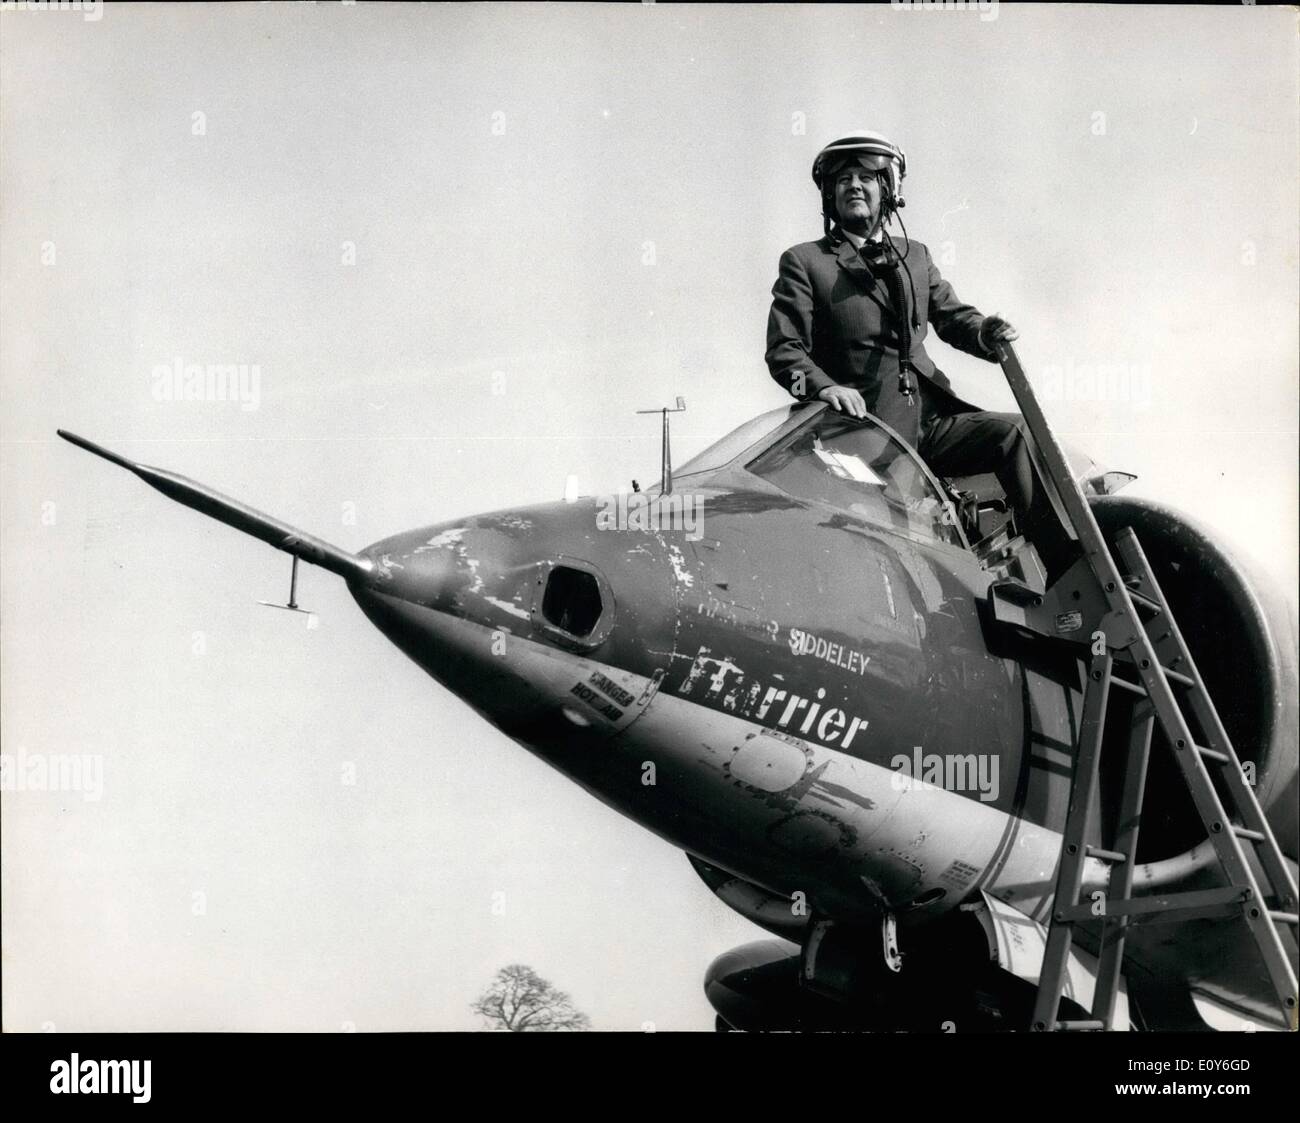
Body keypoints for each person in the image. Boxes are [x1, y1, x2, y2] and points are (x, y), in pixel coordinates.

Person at [765, 132, 1073, 576]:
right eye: (844, 179)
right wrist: (826, 387)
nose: (854, 186)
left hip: (932, 424)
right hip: (864, 434)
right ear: (830, 196)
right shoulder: (805, 261)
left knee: (1015, 434)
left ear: (886, 190)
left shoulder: (917, 256)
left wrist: (985, 333)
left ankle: (1062, 571)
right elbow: (784, 350)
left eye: (866, 178)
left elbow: (951, 317)